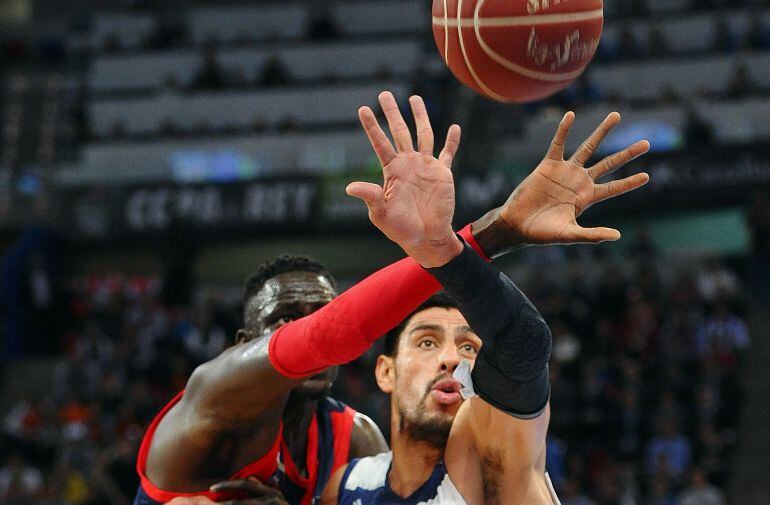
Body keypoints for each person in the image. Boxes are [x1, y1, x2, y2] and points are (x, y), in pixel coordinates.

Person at [164, 92, 649, 505]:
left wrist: (448, 249)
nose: (450, 360)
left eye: (468, 347)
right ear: (384, 371)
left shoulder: (493, 453)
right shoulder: (348, 483)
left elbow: (522, 344)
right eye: (425, 342)